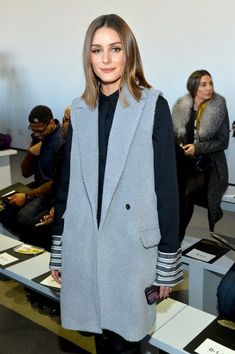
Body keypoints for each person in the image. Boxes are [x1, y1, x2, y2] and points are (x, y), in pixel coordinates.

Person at [50, 14, 183, 353]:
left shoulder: (153, 105)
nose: (106, 59)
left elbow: (167, 189)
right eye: (97, 50)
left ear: (129, 53)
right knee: (99, 337)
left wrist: (167, 260)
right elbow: (66, 186)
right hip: (85, 246)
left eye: (115, 48)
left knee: (126, 342)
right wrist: (59, 249)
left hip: (132, 250)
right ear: (88, 56)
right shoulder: (79, 109)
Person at [172, 70, 229, 243]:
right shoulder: (182, 106)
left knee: (185, 192)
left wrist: (197, 148)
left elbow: (223, 142)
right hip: (184, 162)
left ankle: (175, 241)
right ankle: (166, 236)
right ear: (193, 87)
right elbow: (173, 135)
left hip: (208, 166)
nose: (209, 87)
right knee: (170, 188)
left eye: (210, 83)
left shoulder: (218, 107)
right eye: (204, 84)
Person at [0, 105, 65, 250]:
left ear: (52, 123)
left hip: (52, 191)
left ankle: (34, 251)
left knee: (25, 220)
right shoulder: (38, 137)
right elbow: (25, 172)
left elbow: (57, 182)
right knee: (4, 207)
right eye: (33, 129)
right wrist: (30, 152)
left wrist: (28, 196)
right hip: (38, 185)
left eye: (40, 130)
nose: (36, 134)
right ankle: (19, 245)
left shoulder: (61, 141)